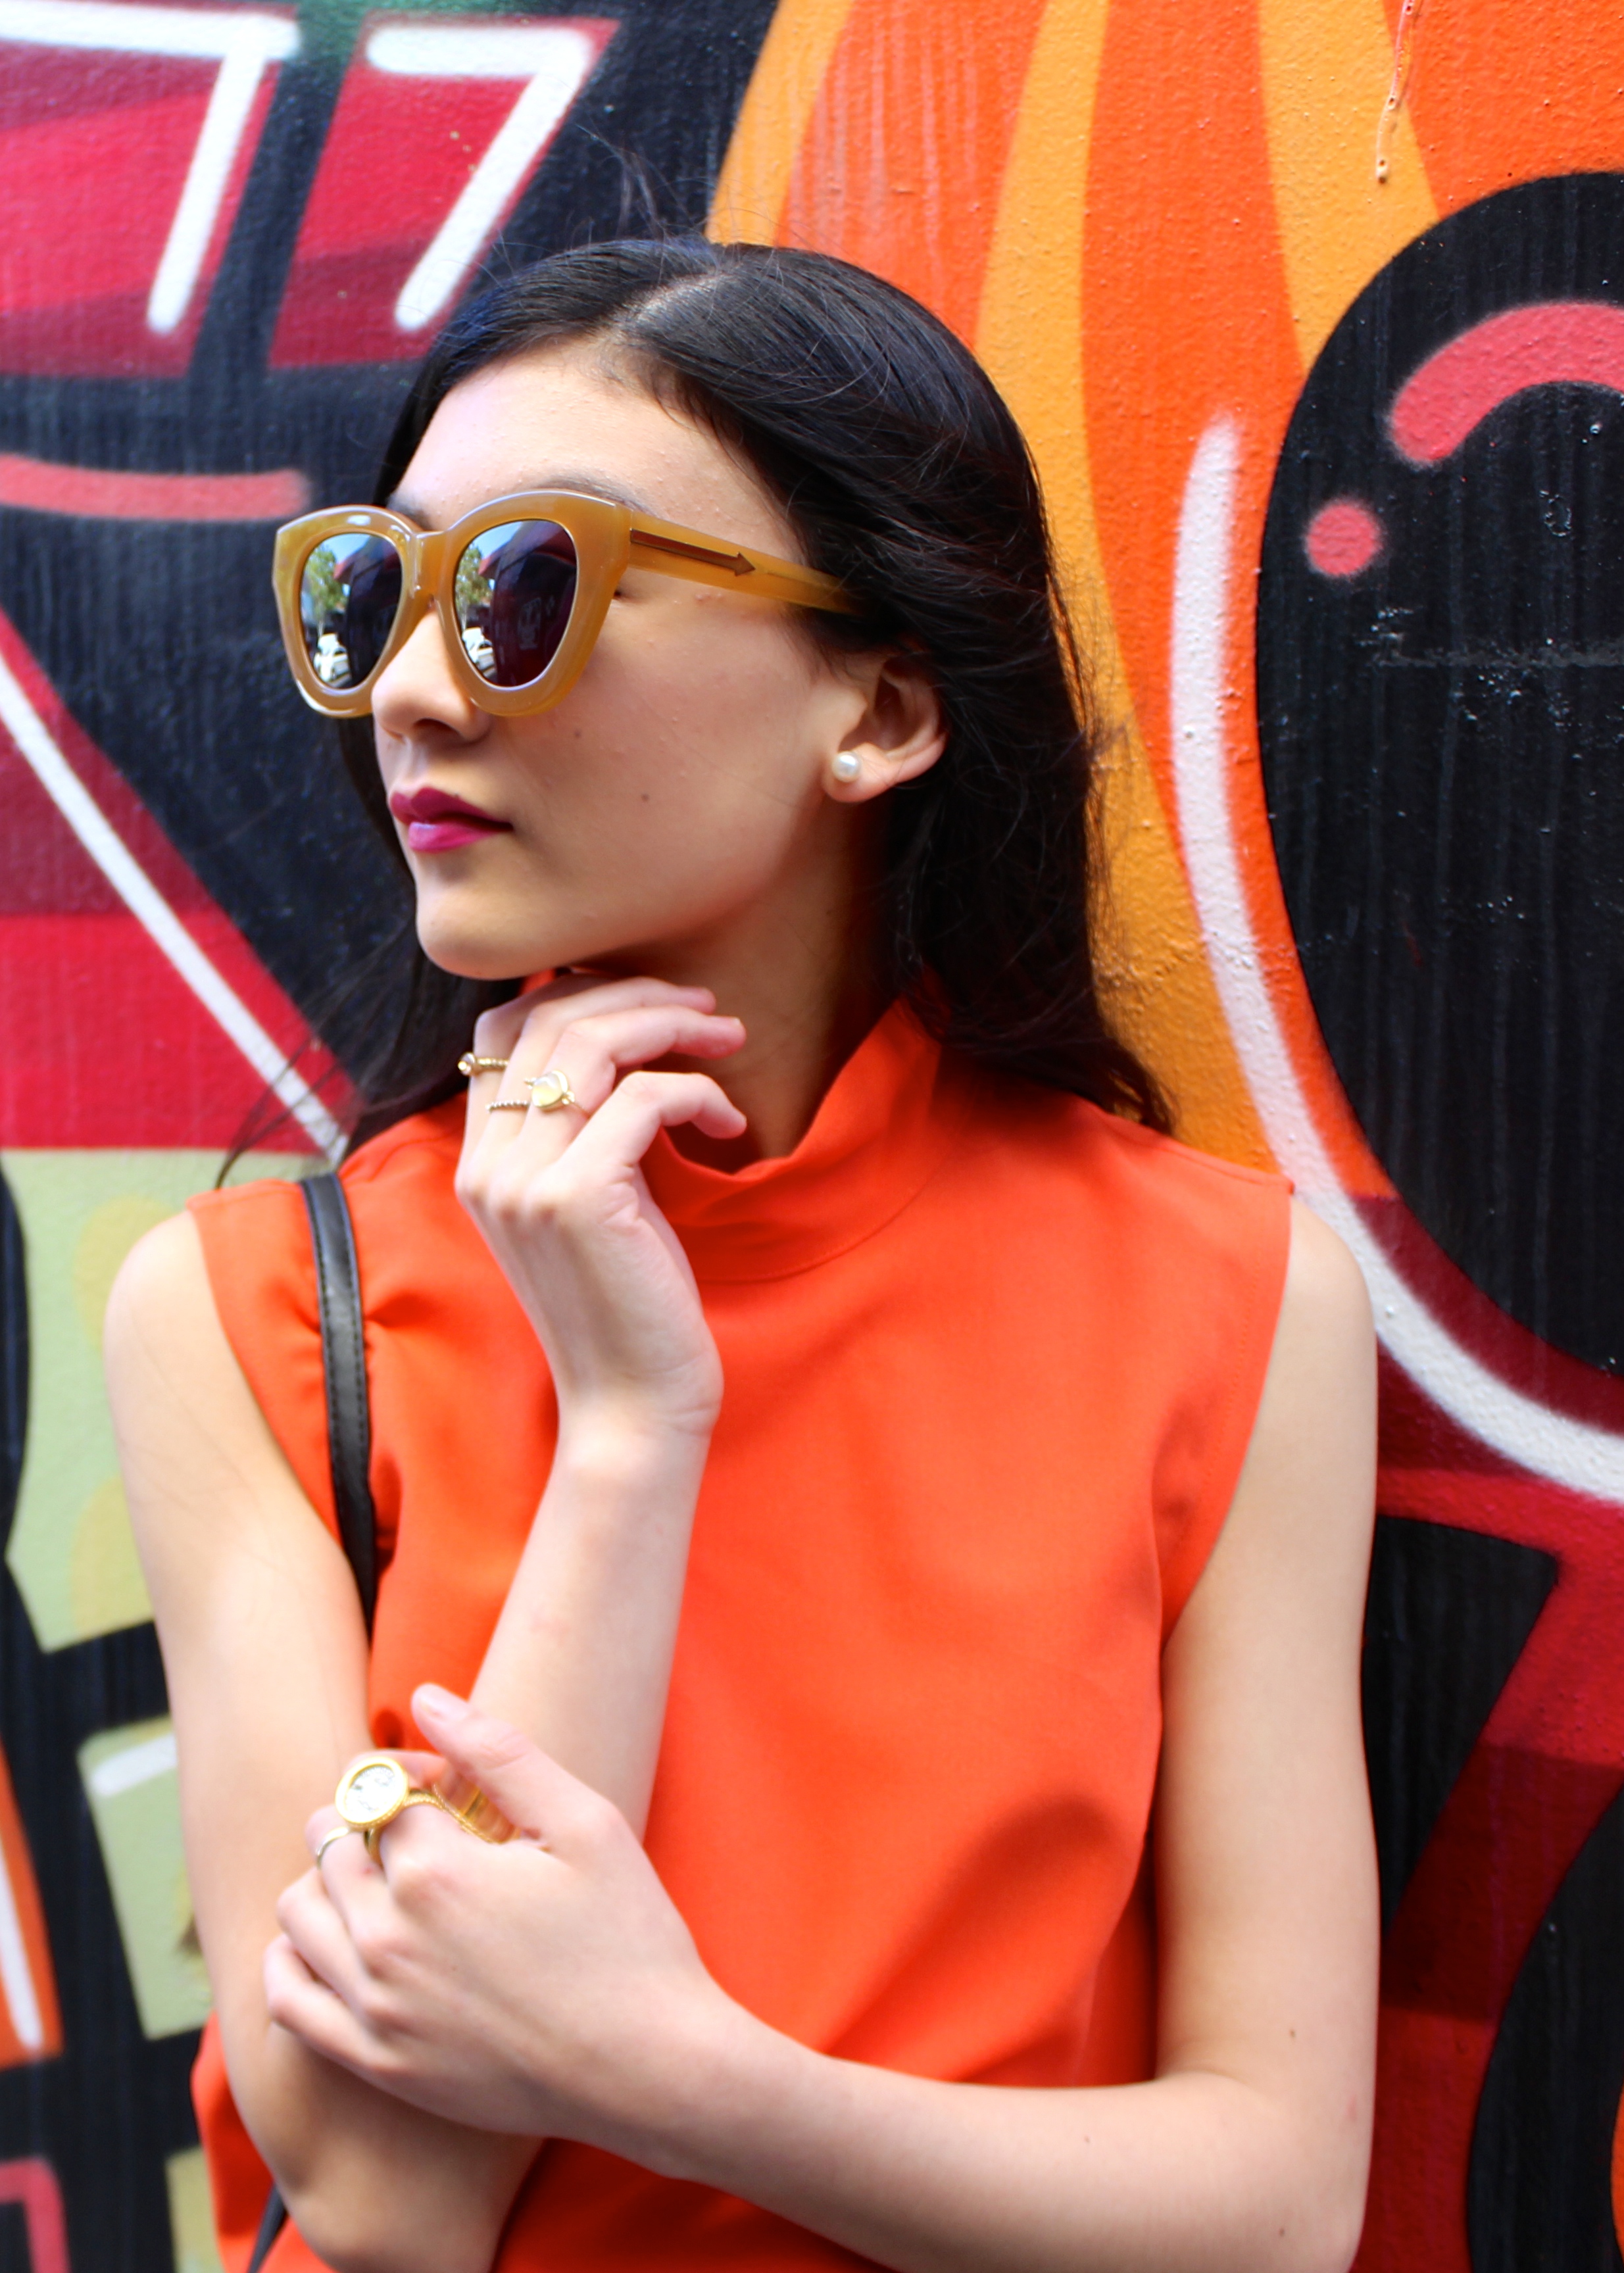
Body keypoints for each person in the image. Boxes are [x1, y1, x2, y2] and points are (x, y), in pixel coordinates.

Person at [105, 237, 1378, 2273]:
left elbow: (1278, 2210)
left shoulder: (1226, 1303)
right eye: (384, 591)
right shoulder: (254, 1316)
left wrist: (676, 2072)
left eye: (529, 588)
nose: (416, 689)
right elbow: (389, 2202)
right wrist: (627, 1427)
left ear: (878, 707)